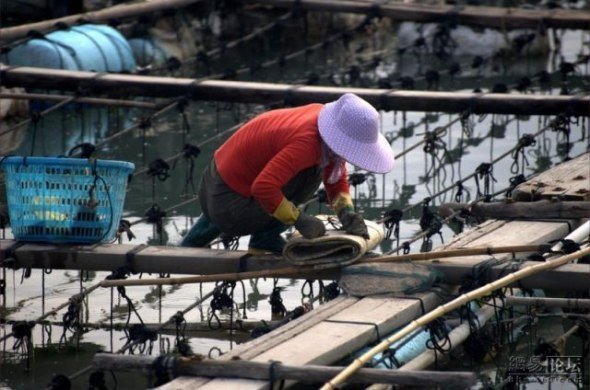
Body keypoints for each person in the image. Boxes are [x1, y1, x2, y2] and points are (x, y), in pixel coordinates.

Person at [180, 93, 395, 254]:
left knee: (301, 170)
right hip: (228, 203)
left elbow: (336, 176)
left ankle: (194, 240)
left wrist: (346, 212)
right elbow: (264, 187)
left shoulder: (321, 123)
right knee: (310, 174)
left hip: (216, 185)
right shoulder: (307, 145)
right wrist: (299, 219)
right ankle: (265, 238)